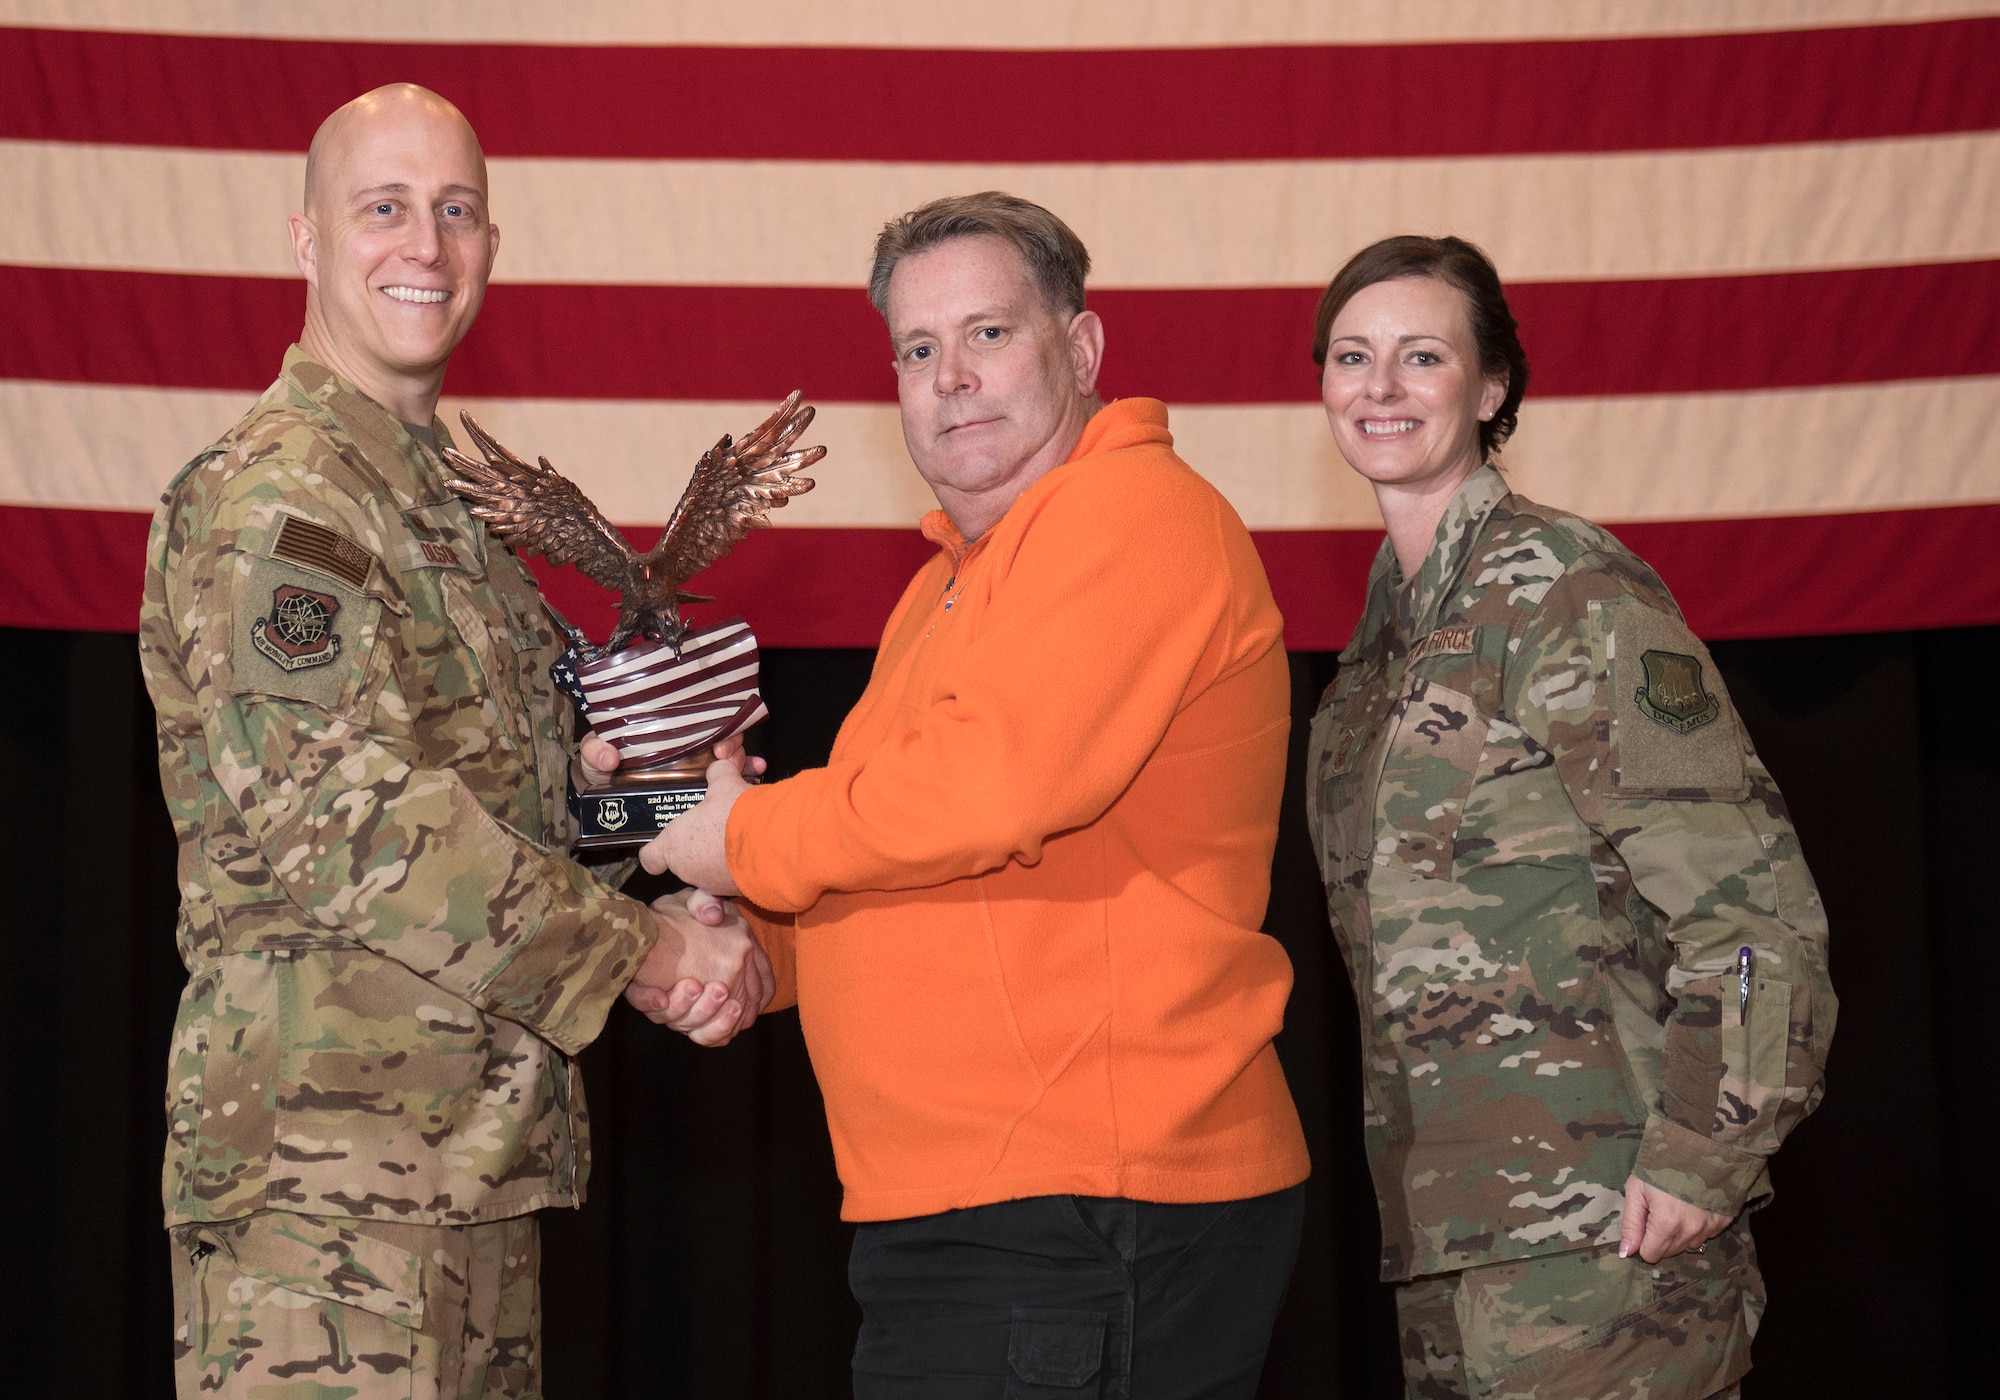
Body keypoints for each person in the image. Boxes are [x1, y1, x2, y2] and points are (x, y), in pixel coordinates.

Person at [138, 84, 768, 1398]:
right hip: (321, 1200)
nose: (424, 245)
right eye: (384, 208)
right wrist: (648, 955)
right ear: (306, 237)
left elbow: (523, 811)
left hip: (469, 1165)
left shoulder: (458, 522)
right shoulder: (284, 497)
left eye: (456, 211)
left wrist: (674, 824)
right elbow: (346, 824)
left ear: (491, 246)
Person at [628, 192, 1312, 1398]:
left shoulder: (1131, 514)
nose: (950, 377)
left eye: (987, 333)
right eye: (917, 349)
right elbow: (899, 844)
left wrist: (735, 835)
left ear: (1082, 348)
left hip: (1086, 1206)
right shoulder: (948, 586)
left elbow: (982, 792)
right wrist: (747, 956)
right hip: (996, 1207)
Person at [1301, 235, 1835, 1400]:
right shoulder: (1372, 657)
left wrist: (1704, 1154)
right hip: (1452, 1250)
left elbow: (1751, 906)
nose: (1378, 387)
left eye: (1420, 355)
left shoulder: (1567, 589)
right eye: (1352, 355)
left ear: (1490, 388)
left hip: (1610, 1247)